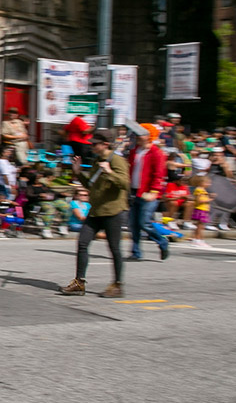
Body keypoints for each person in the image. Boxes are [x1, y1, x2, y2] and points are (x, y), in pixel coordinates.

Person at [58, 132, 130, 298]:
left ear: (105, 144)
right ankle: (79, 283)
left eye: (95, 144)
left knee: (114, 249)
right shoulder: (98, 161)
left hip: (113, 211)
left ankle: (118, 285)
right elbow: (91, 186)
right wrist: (77, 172)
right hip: (96, 211)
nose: (92, 147)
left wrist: (110, 172)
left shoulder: (117, 160)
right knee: (82, 243)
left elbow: (125, 184)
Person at [127, 123, 169, 261]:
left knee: (144, 222)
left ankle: (162, 241)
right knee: (133, 224)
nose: (136, 137)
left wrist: (155, 191)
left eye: (139, 134)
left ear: (148, 136)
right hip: (134, 190)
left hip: (149, 192)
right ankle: (136, 252)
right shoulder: (134, 151)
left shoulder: (157, 153)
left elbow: (159, 174)